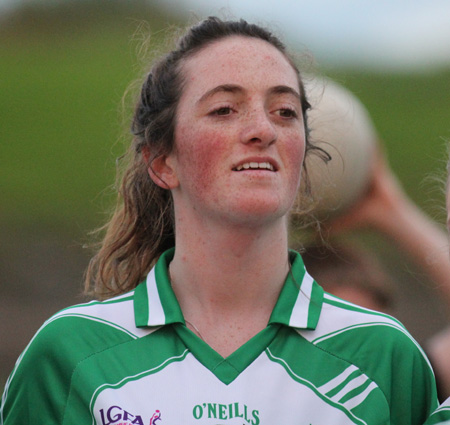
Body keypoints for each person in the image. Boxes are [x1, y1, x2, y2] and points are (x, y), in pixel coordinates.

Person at [0, 16, 438, 424]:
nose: (263, 130)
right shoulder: (69, 356)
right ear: (162, 161)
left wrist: (395, 214)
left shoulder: (383, 355)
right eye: (224, 110)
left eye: (285, 111)